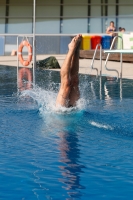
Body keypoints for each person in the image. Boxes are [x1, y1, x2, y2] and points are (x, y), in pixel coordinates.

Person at [56, 34, 82, 108]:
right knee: (67, 83)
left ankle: (76, 49)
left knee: (74, 81)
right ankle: (72, 49)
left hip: (71, 114)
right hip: (61, 114)